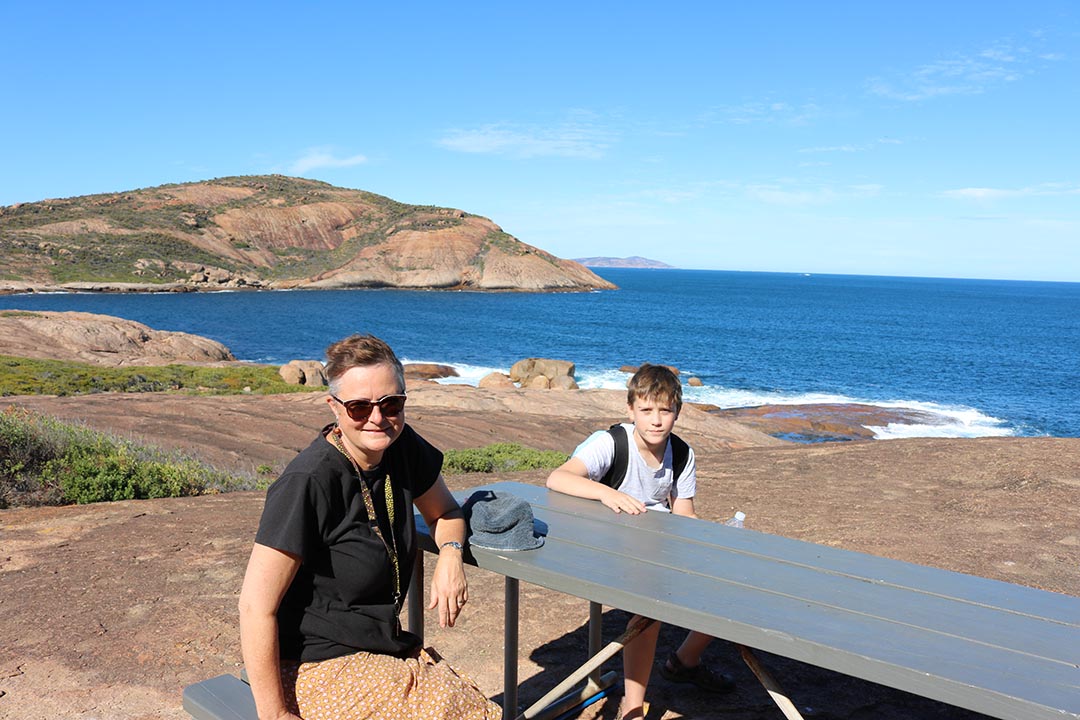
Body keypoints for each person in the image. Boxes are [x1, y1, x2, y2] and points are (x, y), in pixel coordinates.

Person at [238, 334, 500, 720]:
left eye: (391, 404)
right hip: (315, 666)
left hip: (380, 647)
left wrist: (450, 554)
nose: (377, 418)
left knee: (470, 706)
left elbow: (445, 512)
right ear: (334, 407)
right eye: (359, 407)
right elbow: (254, 607)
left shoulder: (401, 446)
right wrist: (275, 714)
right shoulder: (308, 481)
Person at [545, 364, 734, 720]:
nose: (656, 420)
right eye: (646, 410)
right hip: (606, 546)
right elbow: (558, 478)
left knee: (728, 581)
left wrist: (709, 543)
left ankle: (685, 660)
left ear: (678, 412)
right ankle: (632, 707)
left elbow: (683, 512)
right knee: (650, 604)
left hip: (654, 545)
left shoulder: (682, 454)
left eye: (665, 411)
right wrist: (607, 493)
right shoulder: (611, 442)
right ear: (631, 410)